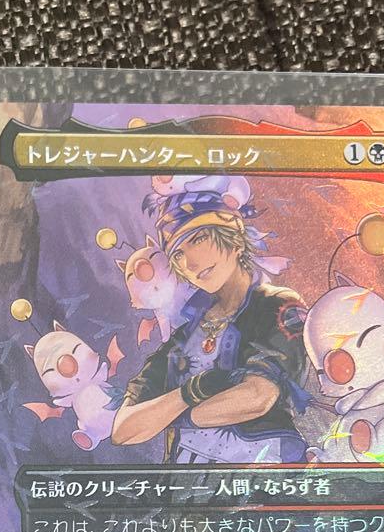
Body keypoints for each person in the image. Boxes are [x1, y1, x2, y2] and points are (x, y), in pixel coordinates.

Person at [111, 189, 309, 464]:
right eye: (178, 254)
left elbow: (258, 396)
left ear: (234, 238)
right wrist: (188, 393)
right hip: (185, 481)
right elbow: (123, 430)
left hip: (261, 477)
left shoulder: (277, 305)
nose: (191, 262)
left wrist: (168, 414)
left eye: (199, 238)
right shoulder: (184, 337)